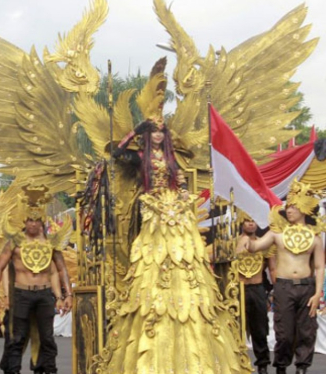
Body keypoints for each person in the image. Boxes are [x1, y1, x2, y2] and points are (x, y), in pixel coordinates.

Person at [100, 111, 252, 372]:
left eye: (161, 130)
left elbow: (180, 183)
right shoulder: (139, 157)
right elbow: (115, 154)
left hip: (176, 212)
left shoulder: (171, 159)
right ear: (148, 135)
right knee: (152, 259)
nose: (158, 135)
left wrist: (183, 197)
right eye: (153, 131)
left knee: (186, 257)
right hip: (152, 210)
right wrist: (135, 131)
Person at [239, 179, 326, 374]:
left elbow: (319, 267)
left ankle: (302, 367)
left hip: (307, 285)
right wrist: (247, 243)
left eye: (293, 206)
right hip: (284, 286)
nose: (289, 210)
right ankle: (281, 366)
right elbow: (257, 246)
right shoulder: (277, 234)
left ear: (303, 208)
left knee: (306, 331)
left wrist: (318, 292)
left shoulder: (315, 237)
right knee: (284, 332)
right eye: (288, 206)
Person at [0, 185, 73, 374]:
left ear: (42, 221)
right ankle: (13, 371)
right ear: (25, 221)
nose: (33, 224)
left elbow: (61, 269)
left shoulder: (51, 243)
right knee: (16, 337)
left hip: (44, 294)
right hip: (21, 293)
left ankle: (48, 370)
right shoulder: (15, 242)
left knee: (47, 338)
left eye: (37, 220)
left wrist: (66, 294)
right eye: (30, 220)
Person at [236, 212, 276, 374]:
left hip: (258, 288)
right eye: (247, 221)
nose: (250, 224)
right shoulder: (232, 243)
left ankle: (262, 364)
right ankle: (235, 360)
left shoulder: (264, 244)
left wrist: (278, 290)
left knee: (260, 328)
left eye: (253, 220)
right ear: (242, 223)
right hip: (238, 289)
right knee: (235, 328)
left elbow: (273, 269)